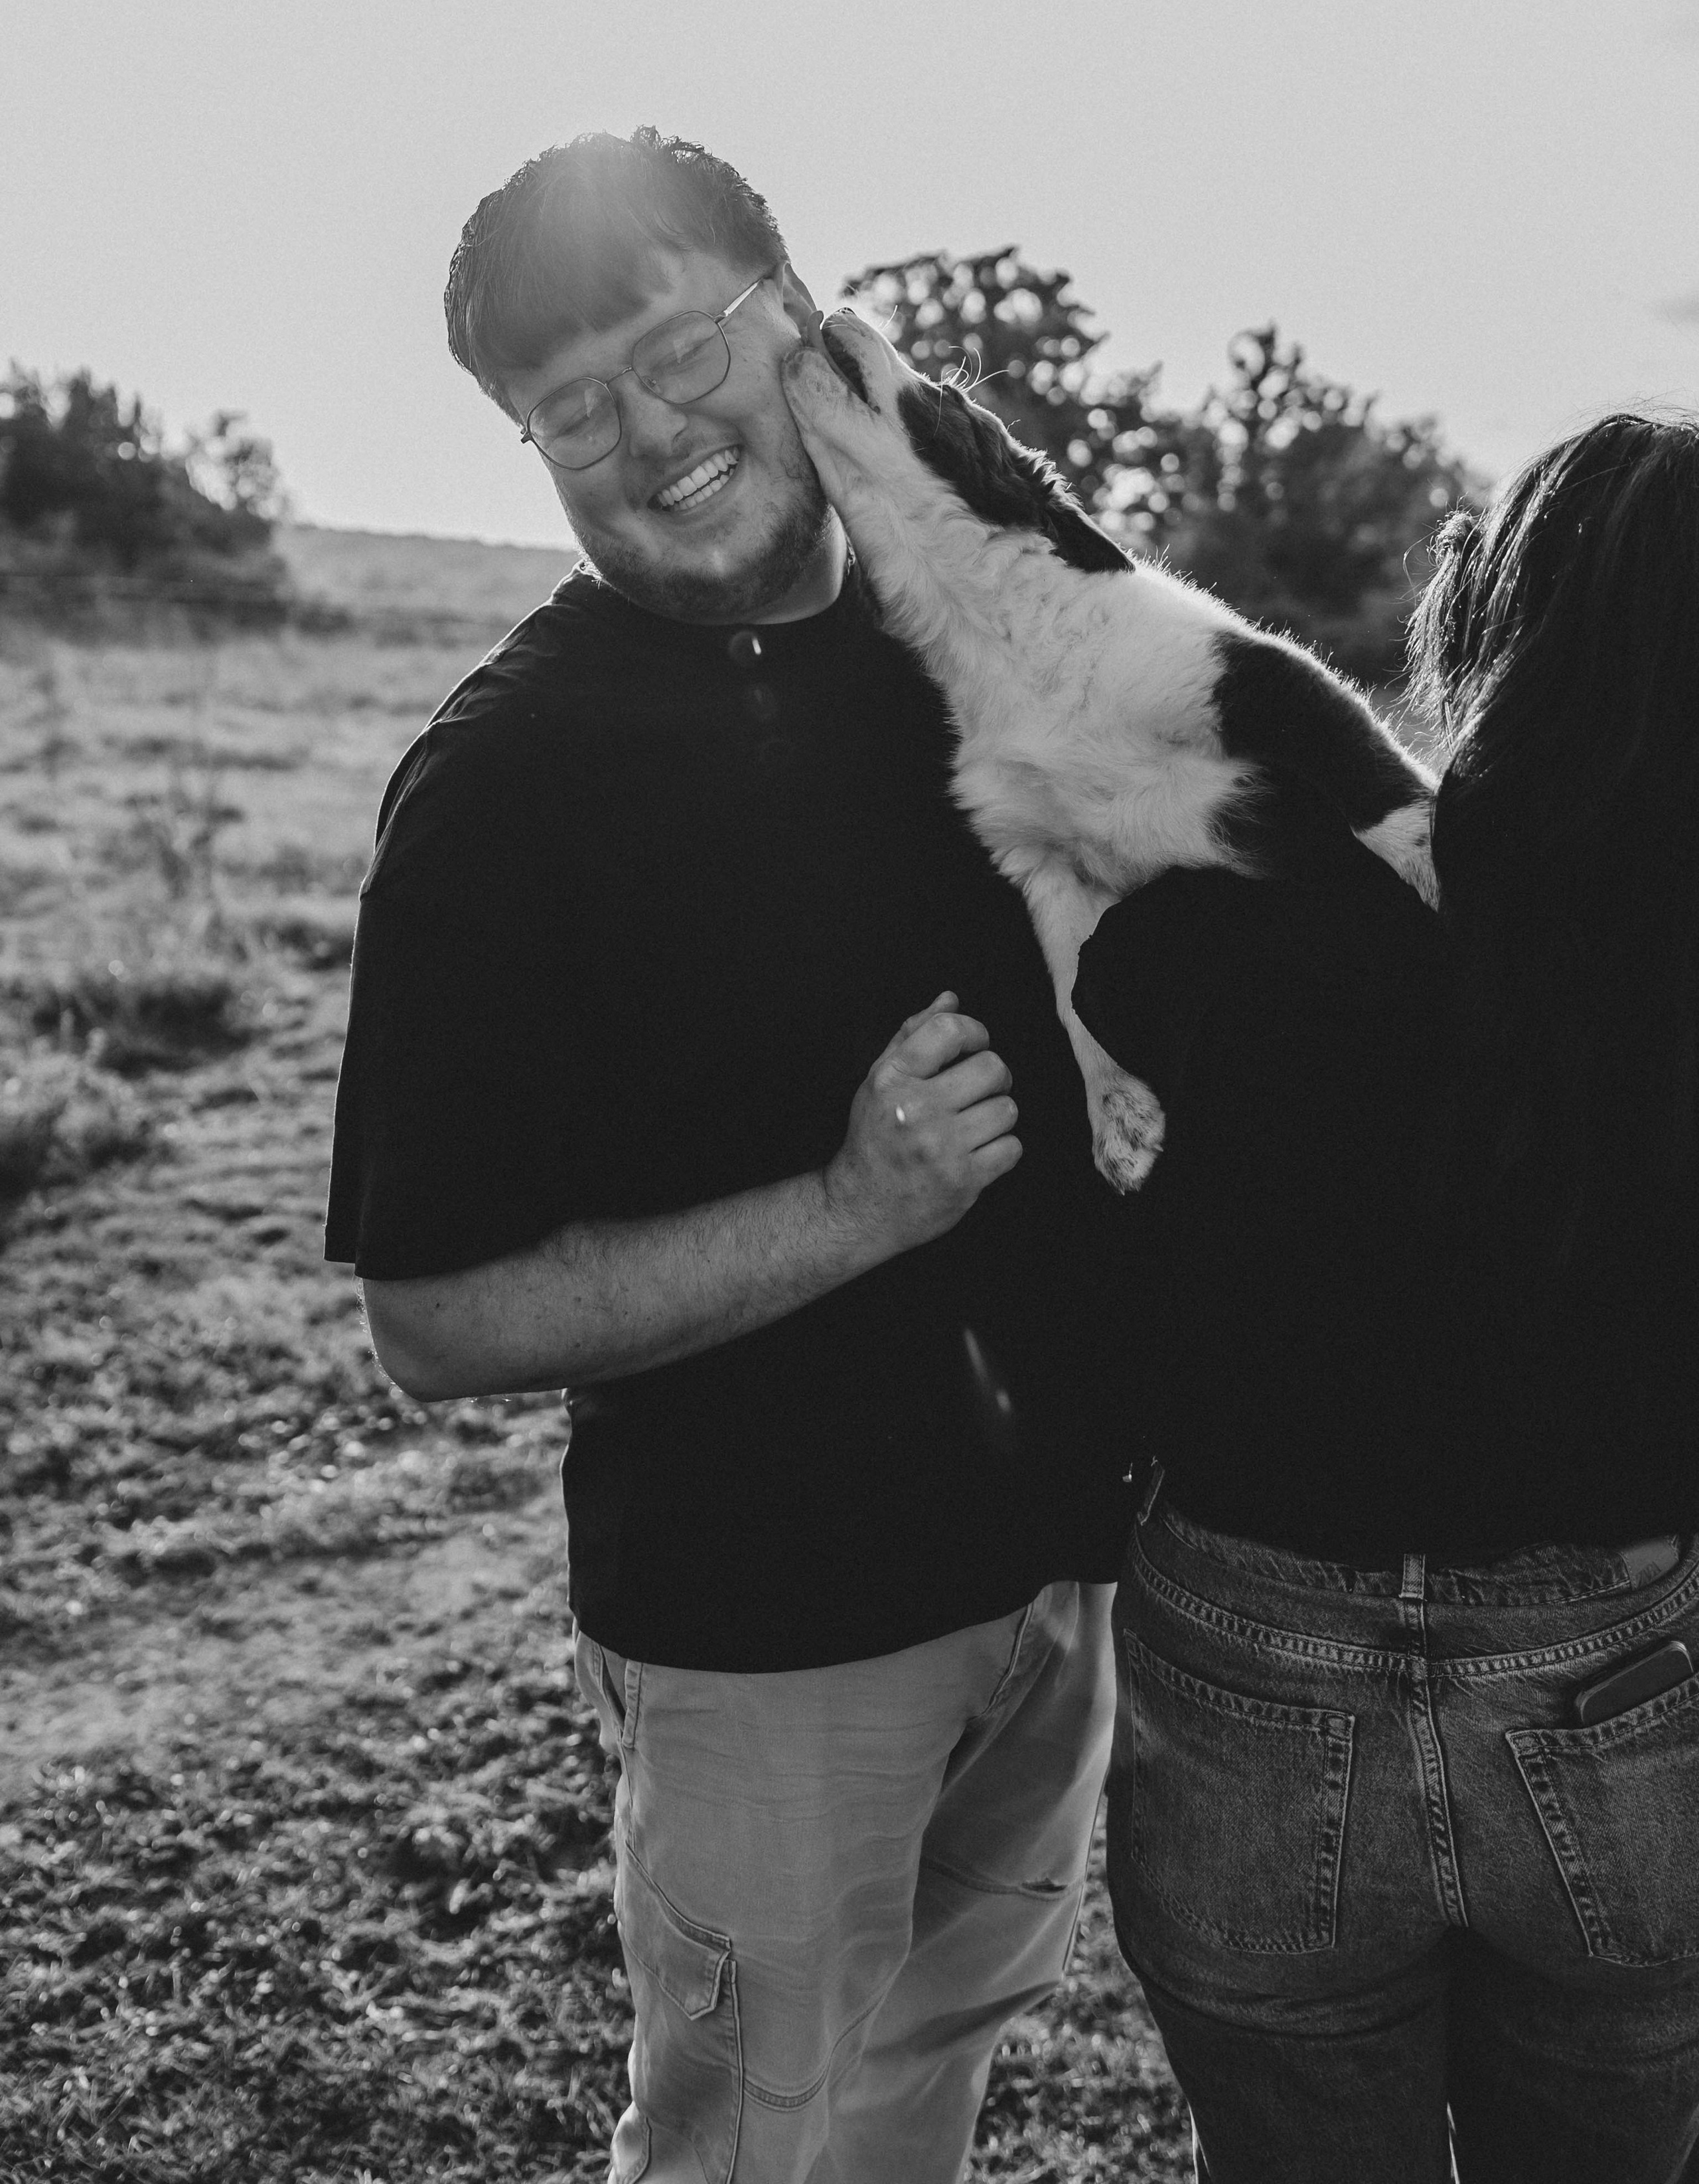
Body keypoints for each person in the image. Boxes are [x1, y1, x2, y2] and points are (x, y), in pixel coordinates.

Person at [324, 129, 1132, 2183]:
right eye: (566, 405)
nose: (647, 430)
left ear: (804, 321)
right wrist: (857, 1207)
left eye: (684, 343)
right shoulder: (504, 790)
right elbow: (431, 1316)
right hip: (773, 1645)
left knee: (928, 2094)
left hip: (1062, 1581)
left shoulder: (963, 637)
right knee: (758, 2151)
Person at [1071, 411, 1699, 2182]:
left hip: (1255, 1654)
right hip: (1627, 1674)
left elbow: (1097, 1243)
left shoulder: (1235, 907)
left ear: (1497, 611)